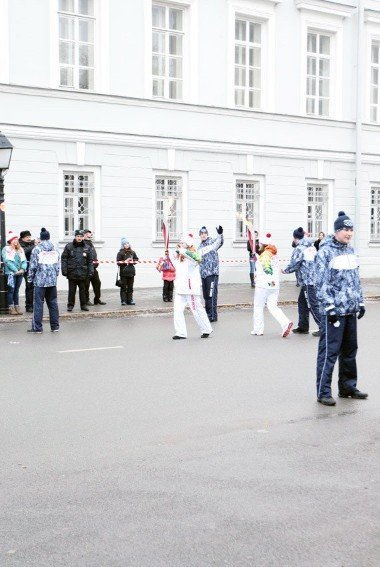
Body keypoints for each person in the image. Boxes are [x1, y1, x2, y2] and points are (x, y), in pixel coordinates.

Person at [315, 211, 368, 406]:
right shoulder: (325, 252)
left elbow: (355, 280)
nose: (349, 233)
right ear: (337, 231)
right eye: (345, 229)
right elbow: (320, 283)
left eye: (351, 229)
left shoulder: (351, 251)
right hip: (334, 312)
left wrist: (360, 302)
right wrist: (329, 308)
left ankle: (347, 387)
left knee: (350, 351)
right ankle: (323, 392)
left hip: (350, 310)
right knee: (329, 352)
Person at [172, 234, 213, 339]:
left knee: (196, 310)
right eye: (180, 243)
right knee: (177, 310)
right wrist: (169, 255)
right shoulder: (179, 256)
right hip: (180, 288)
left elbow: (198, 259)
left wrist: (183, 251)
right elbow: (173, 263)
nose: (180, 245)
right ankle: (180, 333)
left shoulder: (194, 255)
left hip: (190, 289)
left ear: (188, 245)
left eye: (183, 243)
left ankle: (206, 329)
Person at [251, 233, 293, 338]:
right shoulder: (274, 254)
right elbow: (263, 262)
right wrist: (257, 258)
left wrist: (264, 267)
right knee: (273, 307)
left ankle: (258, 329)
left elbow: (265, 265)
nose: (258, 245)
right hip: (274, 285)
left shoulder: (265, 255)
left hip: (263, 285)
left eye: (260, 244)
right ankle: (285, 323)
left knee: (258, 307)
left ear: (264, 244)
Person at [282, 226, 321, 337]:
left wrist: (284, 270)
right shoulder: (311, 247)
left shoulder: (299, 249)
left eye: (293, 238)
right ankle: (303, 326)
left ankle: (323, 327)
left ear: (295, 238)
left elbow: (295, 264)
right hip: (311, 279)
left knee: (312, 304)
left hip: (308, 281)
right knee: (302, 303)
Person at [27, 227, 60, 333]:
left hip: (40, 281)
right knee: (53, 304)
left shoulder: (37, 249)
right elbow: (58, 265)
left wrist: (30, 279)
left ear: (40, 238)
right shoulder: (55, 249)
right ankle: (55, 326)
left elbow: (33, 266)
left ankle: (37, 327)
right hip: (52, 281)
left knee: (38, 304)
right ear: (49, 237)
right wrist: (55, 275)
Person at [61, 229, 94, 312]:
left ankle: (83, 305)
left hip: (83, 272)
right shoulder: (69, 246)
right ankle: (70, 305)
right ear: (75, 237)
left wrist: (91, 271)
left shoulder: (87, 247)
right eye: (77, 236)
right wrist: (64, 270)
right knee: (72, 290)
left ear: (83, 237)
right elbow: (64, 259)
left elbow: (90, 261)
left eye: (81, 236)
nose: (79, 238)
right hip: (72, 272)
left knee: (83, 290)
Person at [197, 225, 224, 322]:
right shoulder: (199, 246)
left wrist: (220, 234)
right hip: (203, 274)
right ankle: (208, 314)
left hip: (212, 273)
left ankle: (213, 315)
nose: (203, 235)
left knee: (212, 295)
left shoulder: (211, 242)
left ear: (207, 234)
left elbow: (219, 242)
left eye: (204, 233)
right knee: (206, 296)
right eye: (201, 234)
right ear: (200, 235)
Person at [1, 231, 27, 315]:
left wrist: (23, 269)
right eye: (13, 240)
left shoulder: (20, 249)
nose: (16, 241)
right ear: (10, 241)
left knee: (16, 290)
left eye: (16, 239)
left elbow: (24, 261)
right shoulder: (6, 249)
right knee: (11, 290)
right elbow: (7, 261)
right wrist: (16, 270)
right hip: (11, 273)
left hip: (20, 273)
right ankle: (11, 307)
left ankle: (17, 306)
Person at [83, 229, 106, 306]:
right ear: (85, 234)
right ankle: (86, 300)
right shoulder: (83, 244)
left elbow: (93, 255)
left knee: (97, 283)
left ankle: (97, 299)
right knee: (86, 285)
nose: (91, 235)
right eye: (90, 234)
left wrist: (96, 261)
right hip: (86, 269)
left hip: (94, 268)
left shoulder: (90, 243)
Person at [19, 230, 37, 313]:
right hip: (21, 268)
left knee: (30, 287)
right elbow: (25, 251)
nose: (29, 238)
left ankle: (30, 306)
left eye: (29, 237)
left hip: (31, 268)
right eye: (27, 237)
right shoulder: (19, 244)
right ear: (22, 238)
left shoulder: (31, 244)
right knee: (15, 288)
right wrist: (34, 245)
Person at [117, 238, 139, 306]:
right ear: (122, 245)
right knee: (123, 287)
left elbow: (136, 260)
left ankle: (130, 300)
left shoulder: (132, 252)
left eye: (127, 243)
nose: (126, 245)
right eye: (125, 244)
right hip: (123, 273)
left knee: (130, 287)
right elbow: (118, 262)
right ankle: (123, 300)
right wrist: (125, 261)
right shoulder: (120, 252)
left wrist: (132, 260)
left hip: (131, 272)